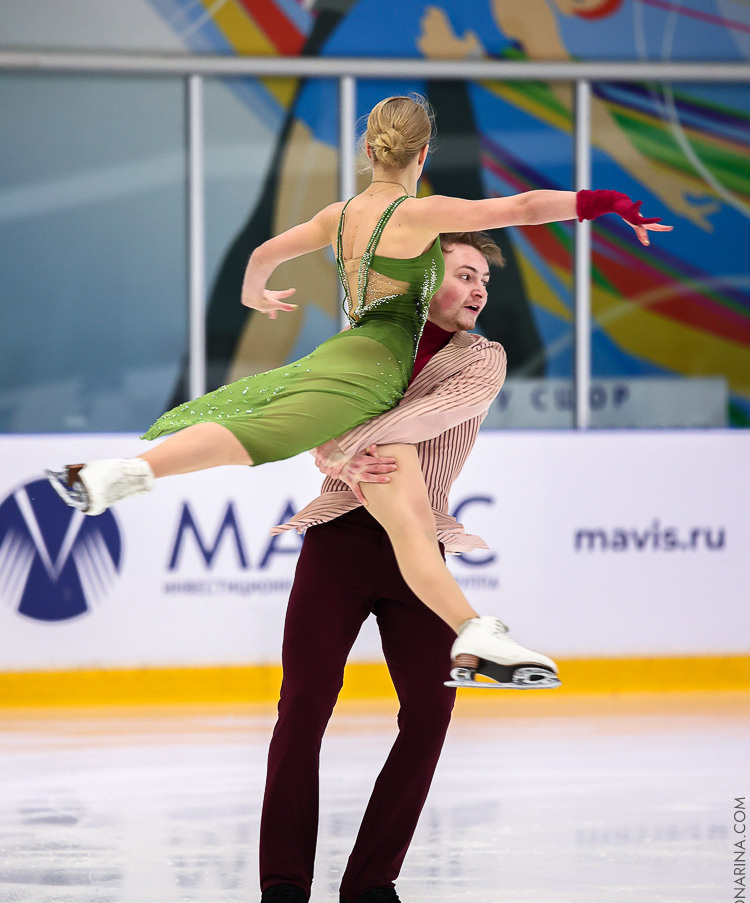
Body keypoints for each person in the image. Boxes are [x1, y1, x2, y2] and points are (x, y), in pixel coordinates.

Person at [47, 94, 671, 684]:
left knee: (399, 516)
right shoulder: (425, 213)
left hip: (350, 350)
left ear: (369, 151)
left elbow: (263, 251)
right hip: (376, 365)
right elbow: (523, 208)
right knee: (262, 433)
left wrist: (254, 293)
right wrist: (610, 202)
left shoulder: (337, 216)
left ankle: (475, 631)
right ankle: (118, 477)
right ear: (422, 155)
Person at [250, 230, 512, 903]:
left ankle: (371, 887)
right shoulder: (368, 341)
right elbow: (310, 414)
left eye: (485, 278)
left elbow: (423, 420)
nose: (480, 288)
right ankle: (284, 884)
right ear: (428, 281)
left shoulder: (481, 358)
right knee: (303, 703)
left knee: (432, 710)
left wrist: (344, 441)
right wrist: (327, 440)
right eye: (465, 273)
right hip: (339, 539)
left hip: (415, 547)